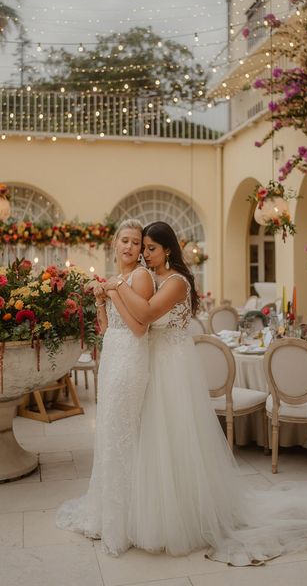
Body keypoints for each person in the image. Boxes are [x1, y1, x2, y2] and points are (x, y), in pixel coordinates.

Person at [102, 220, 307, 566]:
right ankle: (151, 510)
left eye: (150, 248)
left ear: (167, 249)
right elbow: (138, 322)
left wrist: (115, 286)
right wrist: (116, 290)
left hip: (173, 371)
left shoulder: (177, 282)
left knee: (176, 440)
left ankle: (185, 516)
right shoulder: (150, 279)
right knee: (155, 441)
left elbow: (148, 315)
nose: (144, 254)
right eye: (143, 248)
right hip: (155, 367)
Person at [56, 219, 155, 556]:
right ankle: (108, 510)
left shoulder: (140, 277)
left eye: (136, 243)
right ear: (115, 244)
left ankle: (126, 520)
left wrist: (114, 289)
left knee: (123, 431)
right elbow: (107, 327)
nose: (129, 247)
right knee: (110, 432)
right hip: (113, 356)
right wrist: (102, 299)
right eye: (125, 241)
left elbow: (140, 328)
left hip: (131, 359)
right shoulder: (118, 278)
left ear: (141, 249)